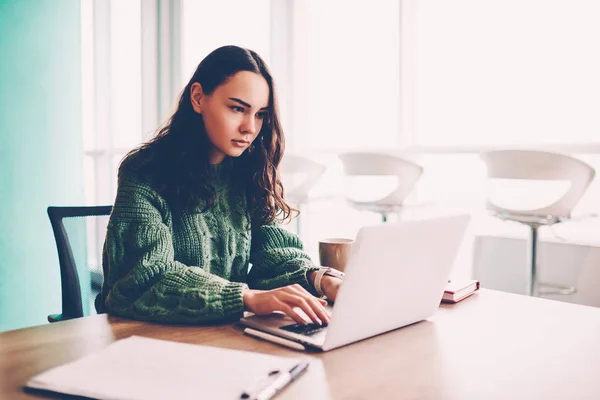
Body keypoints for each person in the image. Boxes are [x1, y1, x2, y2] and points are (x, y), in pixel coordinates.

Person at [95, 45, 342, 326]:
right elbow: (146, 277)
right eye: (238, 108)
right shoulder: (145, 171)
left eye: (260, 114)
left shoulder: (246, 170)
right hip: (145, 337)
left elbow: (273, 253)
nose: (250, 127)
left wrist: (321, 279)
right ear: (198, 98)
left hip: (223, 332)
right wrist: (247, 298)